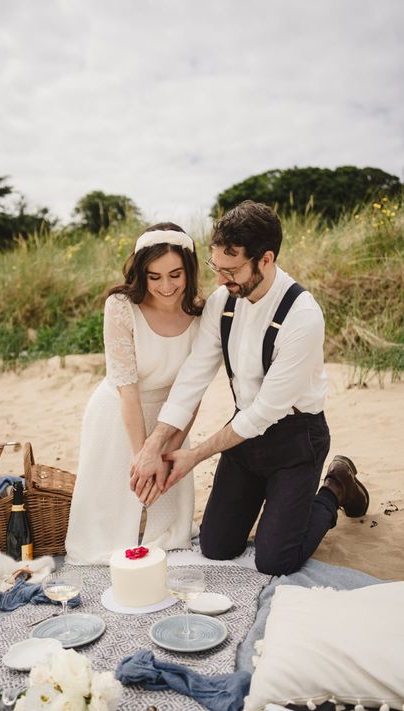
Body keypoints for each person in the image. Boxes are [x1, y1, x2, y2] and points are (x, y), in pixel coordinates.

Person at [130, 201, 370, 576]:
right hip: (242, 437)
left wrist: (194, 456)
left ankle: (335, 485)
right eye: (216, 267)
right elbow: (194, 375)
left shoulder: (302, 315)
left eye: (232, 269)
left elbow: (265, 412)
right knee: (216, 547)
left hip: (296, 439)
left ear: (265, 259)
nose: (222, 279)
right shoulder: (222, 302)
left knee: (275, 561)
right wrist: (154, 445)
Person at [65, 222, 204, 565]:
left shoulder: (202, 312)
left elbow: (193, 392)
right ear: (141, 273)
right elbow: (127, 392)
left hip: (172, 417)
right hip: (119, 414)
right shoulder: (121, 306)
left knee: (168, 537)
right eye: (154, 277)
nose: (166, 286)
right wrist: (143, 457)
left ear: (190, 270)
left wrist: (167, 452)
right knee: (107, 536)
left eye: (175, 274)